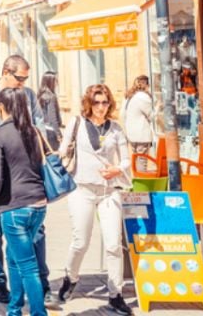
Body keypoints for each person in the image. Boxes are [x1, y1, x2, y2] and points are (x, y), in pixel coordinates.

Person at [0, 54, 52, 306]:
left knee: (35, 231)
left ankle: (41, 281)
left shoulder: (26, 96)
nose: (23, 83)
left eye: (26, 78)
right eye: (20, 78)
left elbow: (39, 125)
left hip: (26, 172)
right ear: (6, 71)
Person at [57, 84, 132, 315]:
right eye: (97, 102)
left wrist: (117, 170)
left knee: (113, 245)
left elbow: (127, 160)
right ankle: (70, 277)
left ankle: (115, 294)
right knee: (81, 241)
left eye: (105, 102)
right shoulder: (77, 123)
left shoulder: (116, 129)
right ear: (89, 103)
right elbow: (61, 152)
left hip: (109, 191)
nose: (101, 107)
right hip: (82, 189)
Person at [0, 88, 50, 316]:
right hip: (38, 203)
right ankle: (14, 308)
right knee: (14, 258)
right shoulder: (32, 131)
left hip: (14, 207)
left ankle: (38, 312)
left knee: (27, 265)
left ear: (1, 107)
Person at [123, 75, 155, 171]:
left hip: (131, 134)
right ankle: (141, 182)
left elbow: (122, 114)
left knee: (136, 159)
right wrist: (158, 107)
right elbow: (152, 115)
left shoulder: (130, 96)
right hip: (142, 134)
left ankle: (136, 180)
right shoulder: (143, 97)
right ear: (147, 85)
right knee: (142, 161)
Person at [37, 72, 63, 151]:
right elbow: (52, 118)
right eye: (55, 81)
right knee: (54, 157)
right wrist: (59, 134)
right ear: (50, 82)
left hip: (42, 129)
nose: (57, 84)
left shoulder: (40, 95)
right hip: (51, 131)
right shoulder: (51, 96)